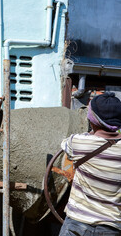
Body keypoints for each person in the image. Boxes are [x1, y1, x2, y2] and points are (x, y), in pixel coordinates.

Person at [59, 92, 121, 236]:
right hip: (111, 227)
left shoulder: (79, 142)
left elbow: (64, 145)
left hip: (76, 224)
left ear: (92, 119)